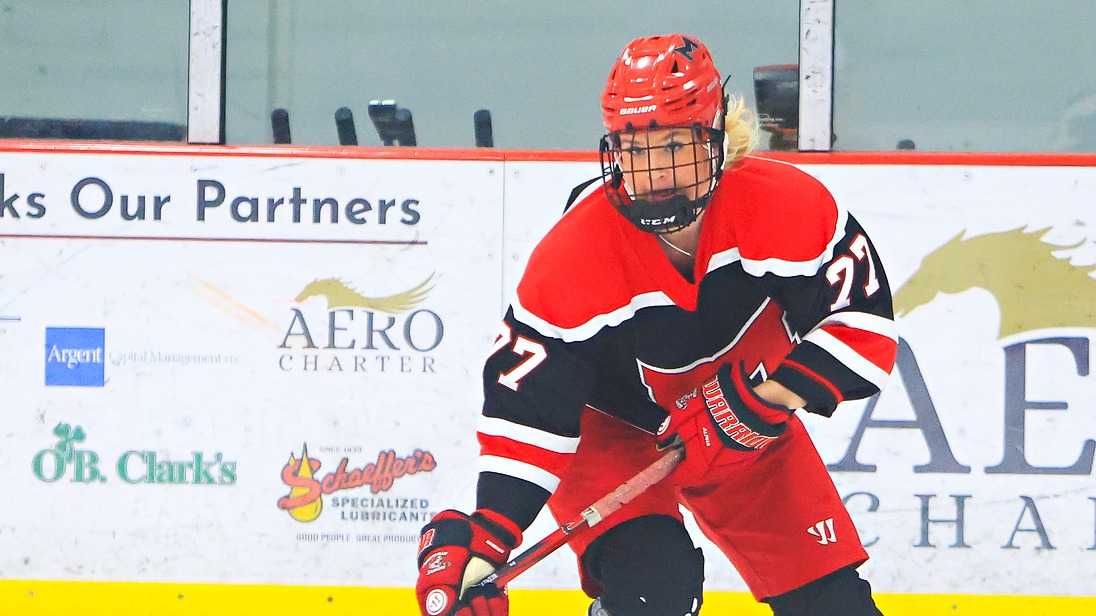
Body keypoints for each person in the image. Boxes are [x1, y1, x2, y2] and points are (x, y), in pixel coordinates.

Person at [416, 33, 898, 616]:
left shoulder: (786, 205)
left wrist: (760, 403)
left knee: (835, 607)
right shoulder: (573, 254)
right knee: (654, 591)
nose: (654, 171)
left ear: (716, 136)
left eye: (674, 144)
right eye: (635, 148)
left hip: (746, 408)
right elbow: (527, 413)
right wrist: (486, 544)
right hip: (611, 432)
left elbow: (861, 324)